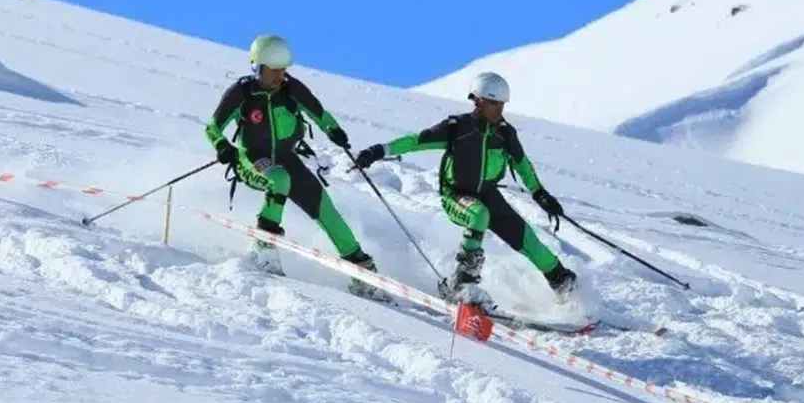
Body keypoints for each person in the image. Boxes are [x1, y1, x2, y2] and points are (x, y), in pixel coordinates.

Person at [353, 71, 577, 307]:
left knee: (529, 241)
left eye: (502, 104)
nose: (499, 110)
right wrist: (378, 150)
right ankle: (461, 284)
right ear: (478, 101)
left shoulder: (505, 134)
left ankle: (563, 283)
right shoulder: (457, 128)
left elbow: (522, 166)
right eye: (494, 103)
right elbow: (415, 141)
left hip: (489, 196)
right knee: (479, 214)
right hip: (457, 195)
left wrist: (540, 194)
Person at [205, 34, 384, 300]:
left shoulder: (291, 88)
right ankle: (263, 249)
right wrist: (222, 146)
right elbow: (212, 127)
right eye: (273, 71)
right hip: (253, 159)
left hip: (288, 158)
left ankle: (361, 272)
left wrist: (334, 131)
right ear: (257, 67)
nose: (279, 76)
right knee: (279, 179)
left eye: (283, 70)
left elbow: (319, 114)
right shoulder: (242, 93)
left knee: (326, 209)